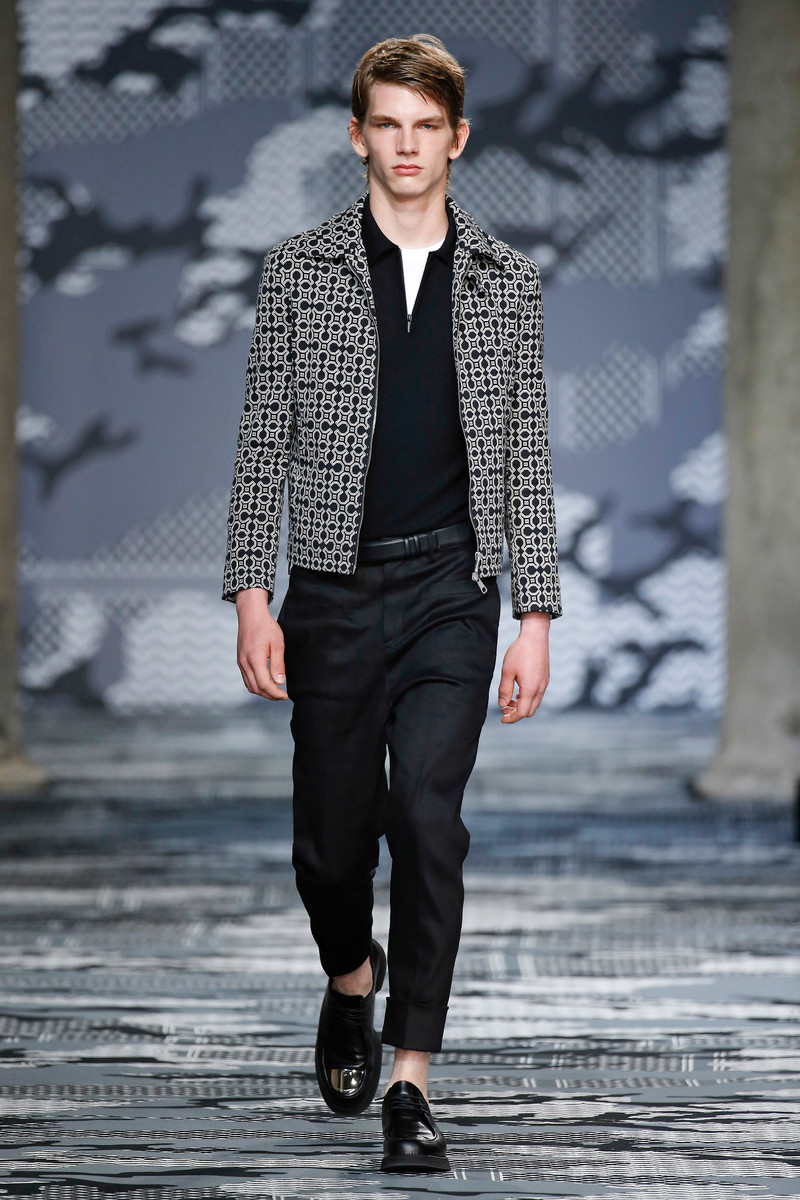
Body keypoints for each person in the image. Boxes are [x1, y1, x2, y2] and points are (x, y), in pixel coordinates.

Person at [222, 32, 562, 1173]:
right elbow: (261, 443)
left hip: (450, 590)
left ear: (456, 138)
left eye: (426, 127)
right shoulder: (299, 270)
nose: (406, 146)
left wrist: (534, 617)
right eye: (387, 125)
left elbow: (524, 456)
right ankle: (348, 976)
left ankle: (410, 1082)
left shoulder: (505, 281)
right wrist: (252, 596)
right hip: (329, 588)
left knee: (425, 817)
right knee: (328, 849)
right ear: (357, 135)